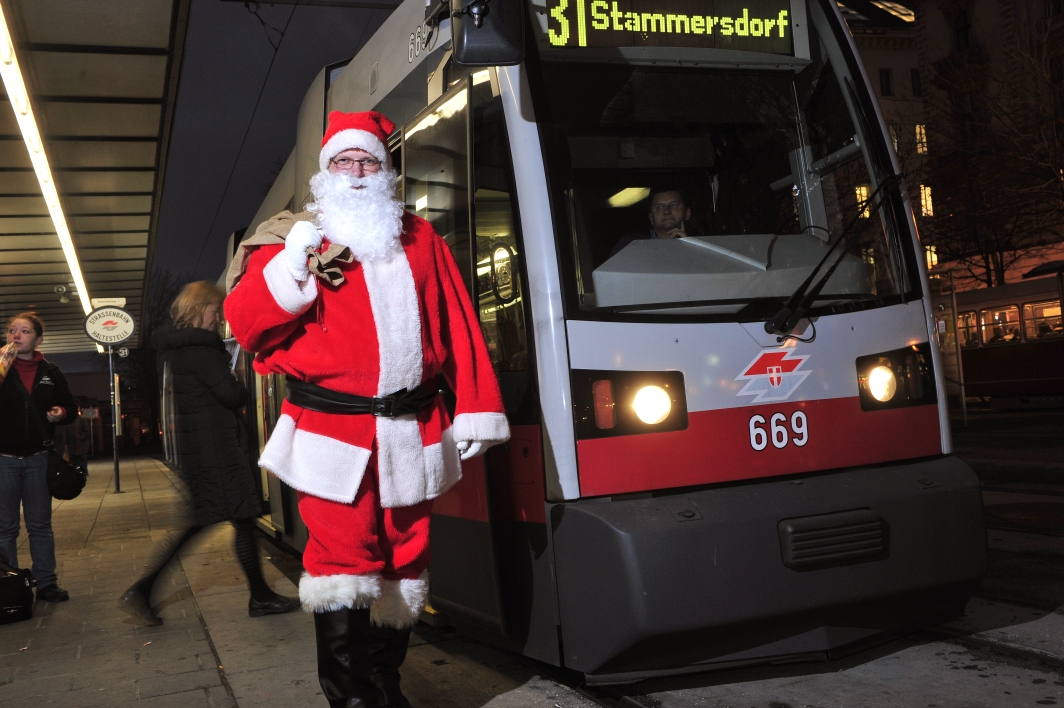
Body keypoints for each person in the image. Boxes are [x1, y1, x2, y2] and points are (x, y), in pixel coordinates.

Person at [225, 110, 510, 708]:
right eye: (343, 162)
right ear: (325, 172)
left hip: (413, 426)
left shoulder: (419, 236)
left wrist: (478, 406)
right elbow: (246, 324)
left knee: (406, 558)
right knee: (341, 561)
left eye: (367, 161)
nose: (355, 172)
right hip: (333, 431)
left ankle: (385, 685)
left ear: (385, 171)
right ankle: (352, 699)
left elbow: (458, 323)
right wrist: (292, 265)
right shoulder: (292, 238)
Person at [118, 281, 300, 626]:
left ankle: (260, 595)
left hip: (199, 448)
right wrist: (234, 379)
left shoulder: (171, 351)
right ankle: (143, 590)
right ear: (199, 308)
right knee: (208, 521)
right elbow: (232, 397)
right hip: (216, 450)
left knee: (239, 519)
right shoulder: (201, 351)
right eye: (215, 309)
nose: (219, 317)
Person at [0, 313, 77, 603]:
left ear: (38, 339)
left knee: (40, 525)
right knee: (5, 527)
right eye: (11, 331)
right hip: (4, 459)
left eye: (25, 331)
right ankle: (9, 584)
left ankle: (46, 583)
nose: (16, 336)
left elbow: (70, 407)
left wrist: (61, 413)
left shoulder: (51, 371)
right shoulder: (1, 366)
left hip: (37, 459)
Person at [607, 187, 693, 259]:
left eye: (674, 205)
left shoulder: (701, 247)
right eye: (659, 207)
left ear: (687, 213)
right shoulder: (630, 244)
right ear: (651, 218)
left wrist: (689, 249)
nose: (667, 211)